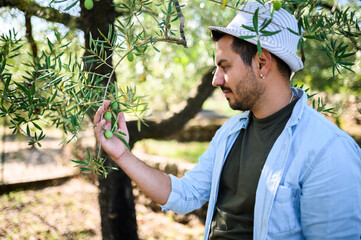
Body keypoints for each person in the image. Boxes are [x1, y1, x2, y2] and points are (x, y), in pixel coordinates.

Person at [93, 1, 361, 239]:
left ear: (262, 63)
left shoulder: (329, 151)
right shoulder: (231, 132)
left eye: (225, 66)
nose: (215, 79)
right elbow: (185, 194)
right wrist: (122, 155)